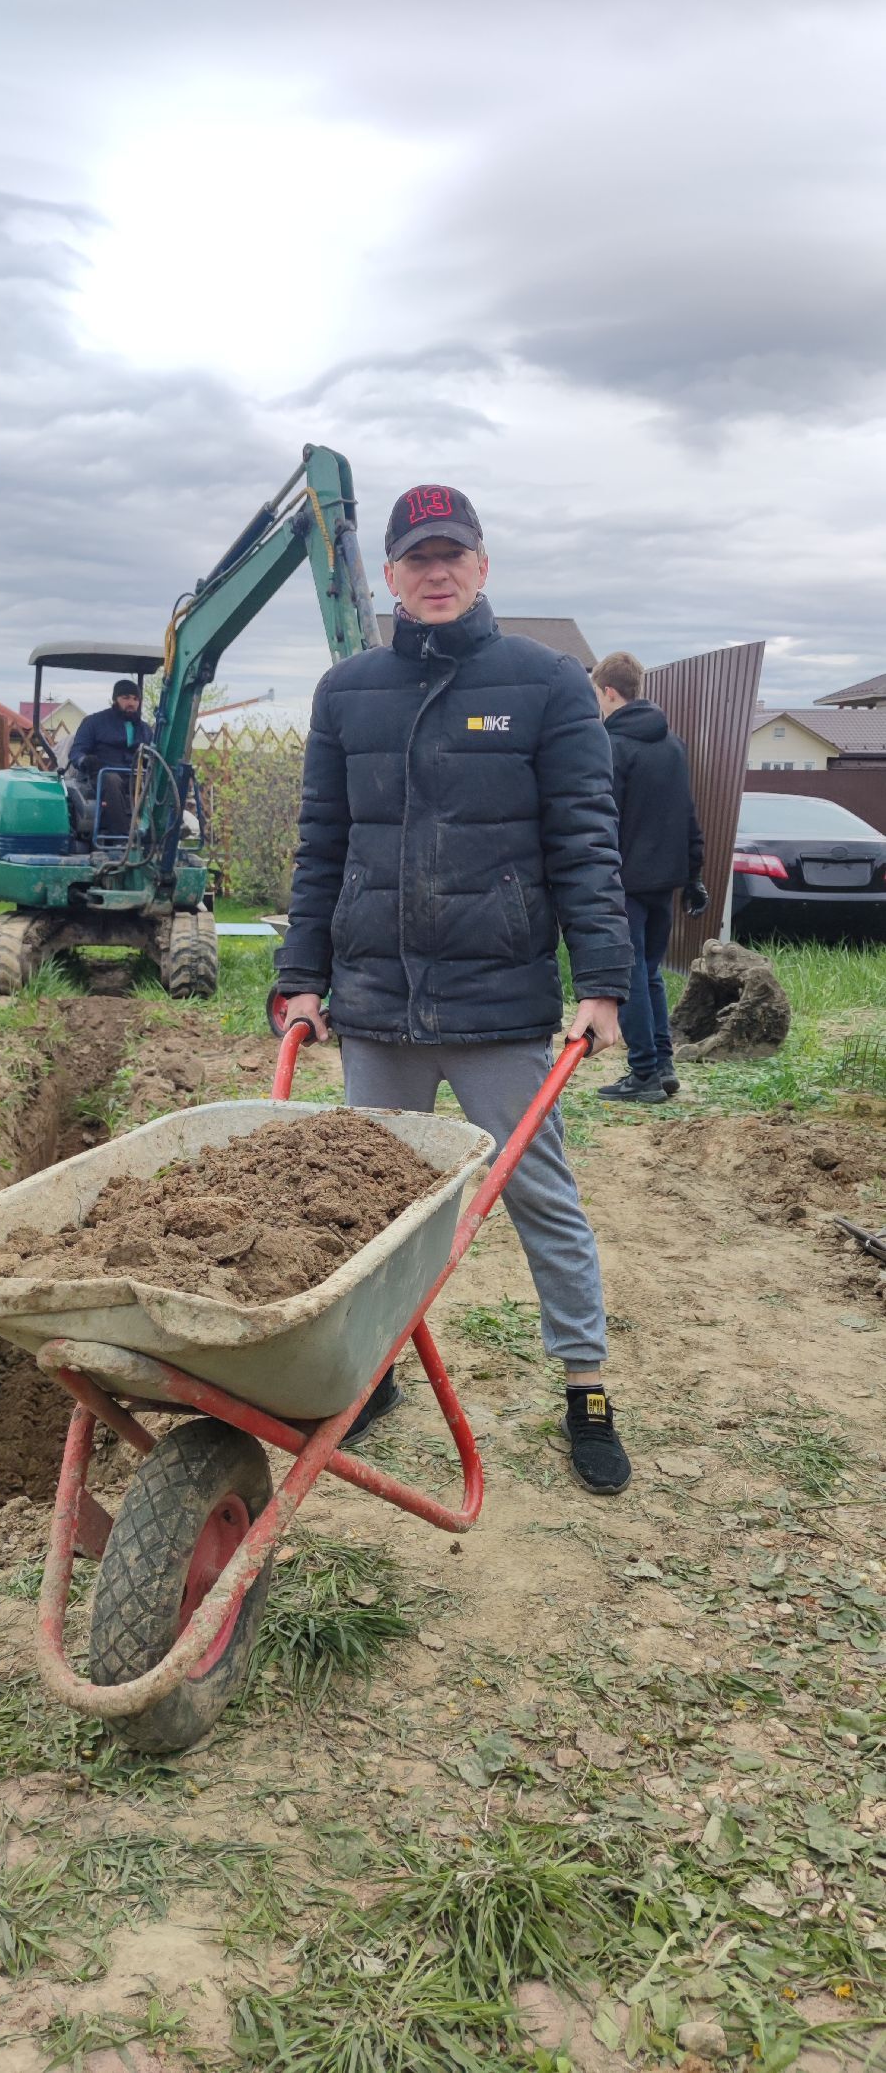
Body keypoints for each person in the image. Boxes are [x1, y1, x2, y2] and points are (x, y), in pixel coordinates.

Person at [275, 483, 636, 1495]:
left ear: (482, 567)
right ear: (388, 577)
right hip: (377, 1009)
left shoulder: (546, 684)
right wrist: (301, 975)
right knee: (367, 1212)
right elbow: (321, 846)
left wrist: (601, 980)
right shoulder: (345, 692)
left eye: (452, 554)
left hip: (498, 1010)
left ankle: (584, 1386)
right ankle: (372, 1369)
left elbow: (582, 841)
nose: (435, 572)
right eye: (415, 558)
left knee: (539, 1201)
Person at [592, 652, 707, 1106]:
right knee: (649, 972)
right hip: (666, 882)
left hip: (626, 882)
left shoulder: (610, 746)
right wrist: (694, 875)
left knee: (630, 976)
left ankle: (643, 1073)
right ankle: (661, 1066)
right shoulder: (672, 744)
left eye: (596, 695)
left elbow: (599, 821)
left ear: (609, 692)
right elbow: (687, 815)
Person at [69, 679, 151, 837]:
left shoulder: (144, 729)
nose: (131, 703)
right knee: (111, 779)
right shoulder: (94, 722)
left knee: (162, 779)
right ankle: (121, 837)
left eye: (135, 699)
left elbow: (154, 755)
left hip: (135, 775)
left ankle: (168, 829)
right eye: (126, 698)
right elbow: (77, 752)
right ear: (115, 699)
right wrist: (85, 760)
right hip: (102, 774)